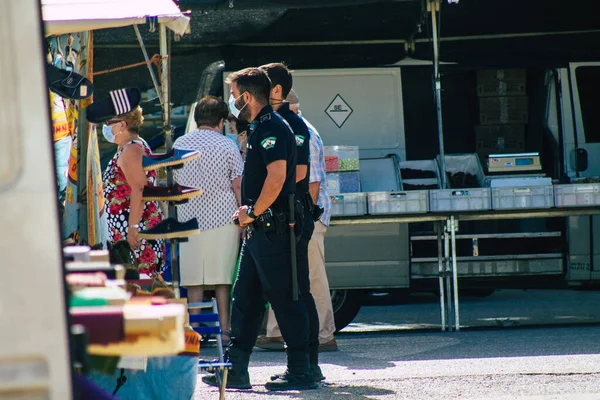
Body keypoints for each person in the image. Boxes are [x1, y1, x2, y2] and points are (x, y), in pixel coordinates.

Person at [202, 67, 317, 391]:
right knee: (246, 300)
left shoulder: (272, 129)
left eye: (235, 93)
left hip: (273, 229)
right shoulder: (260, 127)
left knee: (285, 299)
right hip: (260, 230)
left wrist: (252, 211)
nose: (232, 100)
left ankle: (300, 370)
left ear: (247, 96)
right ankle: (236, 369)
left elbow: (278, 176)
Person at [257, 88, 338, 352]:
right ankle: (277, 331)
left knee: (312, 277)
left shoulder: (305, 133)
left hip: (307, 216)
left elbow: (312, 183)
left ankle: (324, 335)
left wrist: (304, 219)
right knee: (289, 275)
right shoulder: (294, 129)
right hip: (296, 216)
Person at [256, 63, 323, 375]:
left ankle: (307, 363)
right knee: (295, 289)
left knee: (297, 290)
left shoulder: (291, 124)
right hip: (280, 215)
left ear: (276, 91)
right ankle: (307, 363)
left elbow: (299, 173)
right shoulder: (272, 122)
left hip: (291, 215)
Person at [172, 96, 244, 344]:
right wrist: (244, 217)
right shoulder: (227, 145)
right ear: (221, 121)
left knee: (194, 278)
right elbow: (237, 184)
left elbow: (174, 183)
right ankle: (225, 330)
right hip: (225, 218)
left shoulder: (181, 143)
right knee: (222, 278)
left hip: (189, 219)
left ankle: (194, 332)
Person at [102, 107, 165, 275]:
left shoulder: (131, 149)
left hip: (136, 230)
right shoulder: (129, 147)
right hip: (130, 228)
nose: (106, 127)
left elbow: (139, 188)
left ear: (122, 125)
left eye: (109, 123)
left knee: (139, 283)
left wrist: (133, 227)